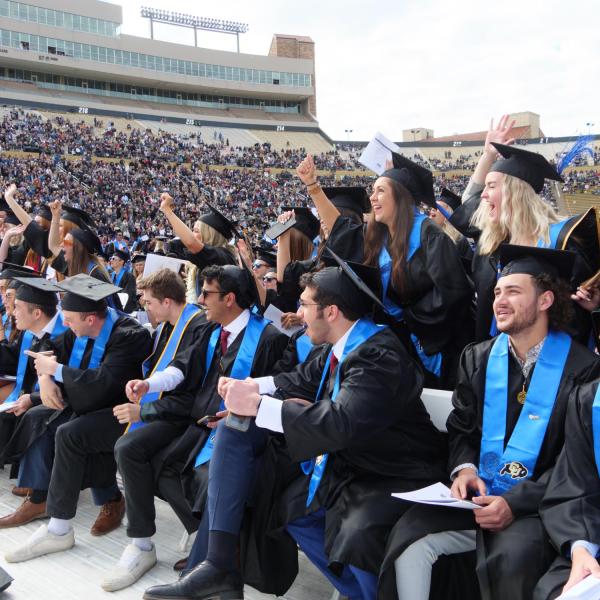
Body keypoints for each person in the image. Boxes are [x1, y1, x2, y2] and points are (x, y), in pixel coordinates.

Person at [143, 257, 447, 600]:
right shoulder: (337, 347)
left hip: (394, 472)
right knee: (250, 451)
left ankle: (368, 594)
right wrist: (249, 390)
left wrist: (258, 406)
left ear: (330, 312)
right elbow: (296, 381)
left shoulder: (379, 356)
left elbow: (340, 422)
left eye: (304, 304)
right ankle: (220, 565)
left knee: (354, 531)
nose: (297, 314)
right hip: (352, 463)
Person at [380, 245, 600, 600]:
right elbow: (463, 428)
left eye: (513, 291)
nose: (499, 300)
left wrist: (516, 503)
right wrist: (464, 470)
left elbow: (572, 464)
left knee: (514, 558)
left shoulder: (582, 370)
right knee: (408, 534)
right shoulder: (477, 358)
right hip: (478, 497)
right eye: (497, 291)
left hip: (541, 508)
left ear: (545, 301)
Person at [2, 274, 151, 562]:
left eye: (69, 319)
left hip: (121, 409)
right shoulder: (79, 326)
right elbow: (52, 348)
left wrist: (55, 372)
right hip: (87, 401)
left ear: (91, 320)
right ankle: (41, 499)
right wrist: (44, 379)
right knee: (43, 420)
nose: (64, 323)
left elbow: (104, 384)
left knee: (69, 430)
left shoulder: (130, 336)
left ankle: (106, 501)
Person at [297, 153, 474, 389]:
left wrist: (407, 318)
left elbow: (454, 294)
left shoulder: (430, 236)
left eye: (380, 190)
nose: (372, 197)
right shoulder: (378, 235)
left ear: (400, 197)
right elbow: (341, 231)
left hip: (433, 346)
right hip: (394, 341)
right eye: (372, 191)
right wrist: (313, 187)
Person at [96, 268, 209, 591]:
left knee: (129, 449)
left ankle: (142, 543)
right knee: (137, 454)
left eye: (147, 302)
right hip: (169, 407)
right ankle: (151, 540)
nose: (145, 307)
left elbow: (184, 380)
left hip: (188, 414)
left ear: (167, 300)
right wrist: (145, 387)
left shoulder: (196, 325)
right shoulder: (169, 326)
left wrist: (144, 407)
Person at [448, 115, 599, 343]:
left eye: (491, 186)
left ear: (514, 192)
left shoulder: (562, 240)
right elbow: (470, 203)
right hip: (499, 352)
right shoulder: (495, 240)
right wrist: (487, 156)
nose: (484, 195)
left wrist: (595, 307)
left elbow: (585, 306)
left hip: (555, 360)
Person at [535, 377, 600, 599]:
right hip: (598, 538)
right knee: (554, 591)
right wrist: (582, 550)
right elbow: (576, 486)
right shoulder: (589, 400)